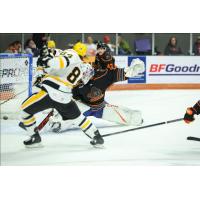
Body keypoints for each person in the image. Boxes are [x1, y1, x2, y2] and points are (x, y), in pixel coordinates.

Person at [19, 42, 104, 148]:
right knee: (78, 119)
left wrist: (47, 62)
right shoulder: (82, 65)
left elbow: (60, 62)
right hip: (65, 97)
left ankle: (34, 137)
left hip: (51, 92)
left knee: (24, 110)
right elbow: (55, 55)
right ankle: (97, 137)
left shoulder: (72, 54)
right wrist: (45, 59)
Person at [50, 42, 144, 133]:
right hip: (81, 103)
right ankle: (59, 121)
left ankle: (135, 118)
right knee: (66, 118)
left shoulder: (112, 72)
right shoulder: (88, 66)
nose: (100, 52)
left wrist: (136, 67)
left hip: (99, 107)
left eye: (102, 50)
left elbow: (128, 72)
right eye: (99, 51)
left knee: (122, 115)